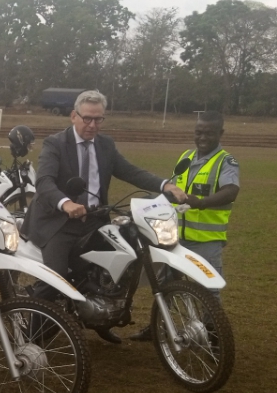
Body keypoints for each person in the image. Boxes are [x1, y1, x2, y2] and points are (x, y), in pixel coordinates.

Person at [25, 89, 187, 344]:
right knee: (55, 277)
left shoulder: (106, 145)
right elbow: (44, 181)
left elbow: (130, 171)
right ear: (73, 116)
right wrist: (65, 203)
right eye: (87, 118)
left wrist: (165, 185)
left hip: (95, 220)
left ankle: (101, 319)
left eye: (98, 119)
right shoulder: (55, 144)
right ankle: (31, 337)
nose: (92, 125)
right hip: (58, 223)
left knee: (117, 268)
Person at [130, 111, 239, 341]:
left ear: (220, 133)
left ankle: (214, 336)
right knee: (166, 285)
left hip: (207, 241)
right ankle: (159, 327)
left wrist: (201, 202)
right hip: (176, 238)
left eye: (208, 133)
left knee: (209, 290)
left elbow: (231, 191)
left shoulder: (225, 161)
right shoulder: (186, 157)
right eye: (198, 132)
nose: (202, 137)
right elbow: (173, 189)